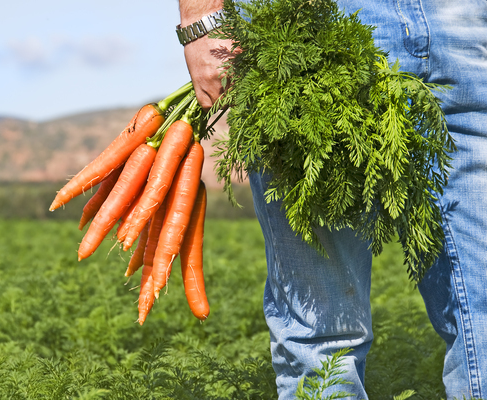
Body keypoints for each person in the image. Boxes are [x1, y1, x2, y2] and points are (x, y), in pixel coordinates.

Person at [177, 0, 487, 399]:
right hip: (304, 27)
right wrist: (202, 22)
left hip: (460, 26)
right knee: (323, 333)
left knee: (481, 310)